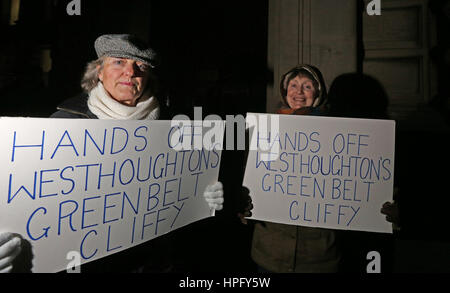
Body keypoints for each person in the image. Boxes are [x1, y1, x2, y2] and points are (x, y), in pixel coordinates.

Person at [0, 34, 224, 273]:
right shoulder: (63, 124)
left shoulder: (175, 127)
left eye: (141, 66)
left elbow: (179, 200)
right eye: (119, 62)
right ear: (98, 72)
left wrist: (203, 195)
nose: (131, 73)